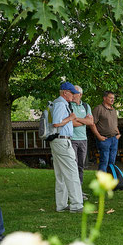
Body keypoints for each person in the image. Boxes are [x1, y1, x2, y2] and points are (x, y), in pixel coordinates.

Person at [50, 82, 84, 213]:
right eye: (72, 93)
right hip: (62, 141)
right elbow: (56, 123)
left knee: (61, 175)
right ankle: (76, 205)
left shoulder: (59, 103)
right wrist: (70, 118)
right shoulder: (60, 104)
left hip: (59, 141)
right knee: (72, 172)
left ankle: (61, 204)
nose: (74, 96)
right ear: (65, 93)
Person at [70, 85, 93, 200]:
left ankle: (79, 191)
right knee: (73, 166)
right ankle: (72, 192)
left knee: (81, 166)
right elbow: (70, 123)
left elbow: (91, 122)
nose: (73, 95)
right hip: (72, 139)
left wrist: (77, 119)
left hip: (83, 139)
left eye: (75, 93)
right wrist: (84, 121)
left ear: (80, 95)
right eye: (72, 93)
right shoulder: (69, 105)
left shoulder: (86, 106)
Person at [90, 91, 120, 172]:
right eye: (110, 98)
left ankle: (110, 181)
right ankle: (102, 182)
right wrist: (98, 136)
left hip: (114, 139)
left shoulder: (114, 110)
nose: (112, 100)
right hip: (104, 139)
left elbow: (115, 124)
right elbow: (92, 123)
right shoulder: (98, 108)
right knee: (104, 161)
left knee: (112, 162)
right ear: (104, 98)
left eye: (113, 98)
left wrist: (118, 134)